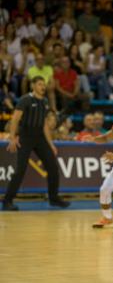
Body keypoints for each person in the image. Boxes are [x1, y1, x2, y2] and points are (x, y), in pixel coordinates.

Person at [2, 76, 70, 211]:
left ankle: (54, 198)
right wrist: (12, 137)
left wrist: (51, 144)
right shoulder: (25, 99)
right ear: (33, 85)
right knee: (20, 170)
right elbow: (15, 119)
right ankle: (7, 201)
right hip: (25, 137)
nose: (43, 87)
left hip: (40, 138)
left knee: (52, 167)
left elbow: (44, 124)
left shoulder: (44, 101)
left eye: (43, 84)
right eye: (39, 84)